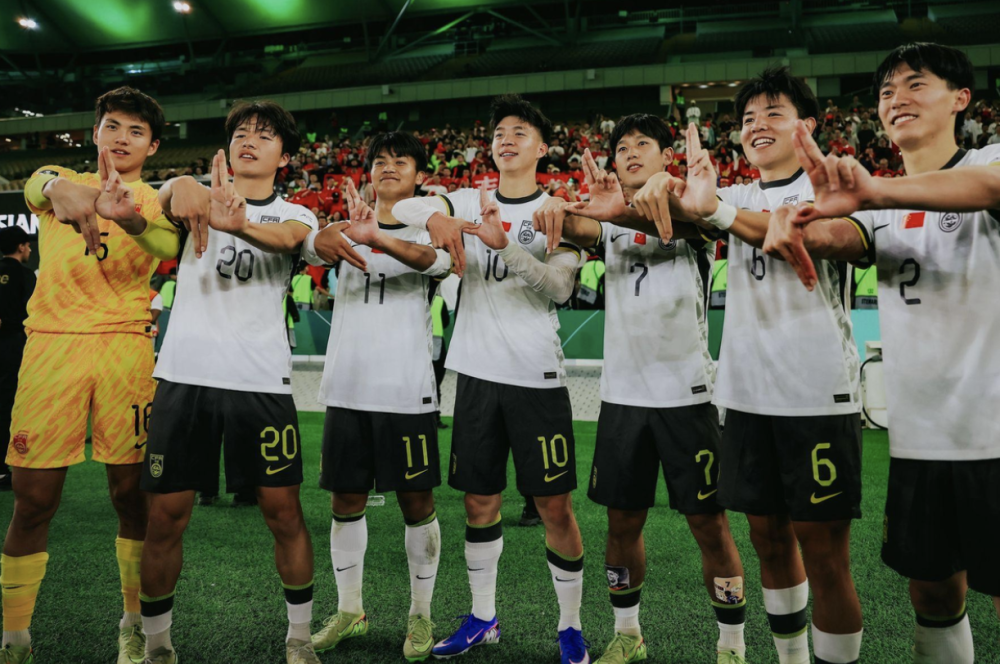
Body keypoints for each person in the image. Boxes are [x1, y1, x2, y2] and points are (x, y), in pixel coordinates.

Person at [763, 42, 1000, 663]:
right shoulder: (877, 203)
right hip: (920, 439)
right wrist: (794, 222)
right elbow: (840, 234)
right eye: (887, 91)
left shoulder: (986, 160)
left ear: (962, 98)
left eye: (916, 84)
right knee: (933, 593)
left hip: (995, 437)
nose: (897, 99)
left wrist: (878, 191)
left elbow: (989, 186)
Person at [623, 68, 865, 664]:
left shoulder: (830, 190)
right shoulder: (736, 196)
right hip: (747, 397)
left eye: (773, 113)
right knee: (768, 540)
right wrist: (657, 185)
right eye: (748, 117)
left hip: (818, 397)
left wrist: (713, 211)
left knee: (826, 555)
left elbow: (814, 235)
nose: (757, 125)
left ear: (808, 126)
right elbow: (681, 207)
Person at [533, 114, 749, 664]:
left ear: (665, 156)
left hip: (689, 397)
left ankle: (732, 645)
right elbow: (584, 228)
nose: (630, 153)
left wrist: (622, 208)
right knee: (622, 522)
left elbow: (701, 224)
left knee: (709, 524)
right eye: (622, 147)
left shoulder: (694, 207)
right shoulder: (609, 220)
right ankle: (627, 633)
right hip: (623, 398)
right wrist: (558, 207)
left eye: (643, 144)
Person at [392, 93, 590, 664]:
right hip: (476, 375)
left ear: (543, 147)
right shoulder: (464, 200)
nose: (507, 139)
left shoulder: (557, 210)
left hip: (536, 375)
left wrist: (506, 247)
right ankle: (483, 617)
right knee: (479, 502)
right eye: (500, 131)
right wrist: (437, 218)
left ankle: (570, 627)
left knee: (555, 507)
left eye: (521, 131)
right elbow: (402, 207)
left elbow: (561, 288)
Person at [140, 101, 328, 664]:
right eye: (242, 132)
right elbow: (159, 201)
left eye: (265, 135)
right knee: (164, 518)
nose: (250, 140)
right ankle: (157, 645)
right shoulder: (194, 199)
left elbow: (291, 240)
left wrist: (239, 223)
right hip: (184, 376)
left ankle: (299, 638)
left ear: (285, 157)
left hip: (259, 381)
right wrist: (177, 183)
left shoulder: (297, 212)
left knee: (284, 514)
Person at [0, 87, 176, 664]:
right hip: (51, 347)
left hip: (126, 349)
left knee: (132, 496)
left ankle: (133, 623)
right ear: (95, 133)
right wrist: (58, 186)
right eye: (112, 126)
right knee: (32, 500)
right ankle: (15, 639)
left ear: (153, 145)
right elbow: (38, 183)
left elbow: (166, 241)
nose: (122, 138)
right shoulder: (64, 184)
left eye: (136, 131)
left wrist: (128, 217)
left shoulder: (154, 199)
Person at [300, 132, 452, 662]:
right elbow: (310, 247)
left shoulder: (429, 227)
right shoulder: (342, 228)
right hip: (347, 386)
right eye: (380, 161)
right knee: (345, 502)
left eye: (401, 161)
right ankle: (350, 611)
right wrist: (340, 231)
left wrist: (377, 235)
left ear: (419, 175)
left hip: (405, 389)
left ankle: (420, 614)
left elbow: (437, 263)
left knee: (417, 504)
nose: (389, 167)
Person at [0, 227, 36, 492]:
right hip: (14, 346)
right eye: (28, 245)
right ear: (21, 247)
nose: (30, 249)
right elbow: (34, 312)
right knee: (8, 404)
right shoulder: (25, 275)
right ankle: (3, 469)